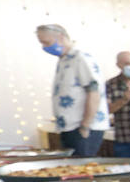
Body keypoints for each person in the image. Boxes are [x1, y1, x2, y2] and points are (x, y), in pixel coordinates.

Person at [36, 23, 109, 157]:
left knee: (82, 169)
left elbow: (93, 92)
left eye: (47, 42)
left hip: (83, 127)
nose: (45, 47)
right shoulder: (64, 60)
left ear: (61, 37)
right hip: (68, 126)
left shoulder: (80, 58)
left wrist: (85, 125)